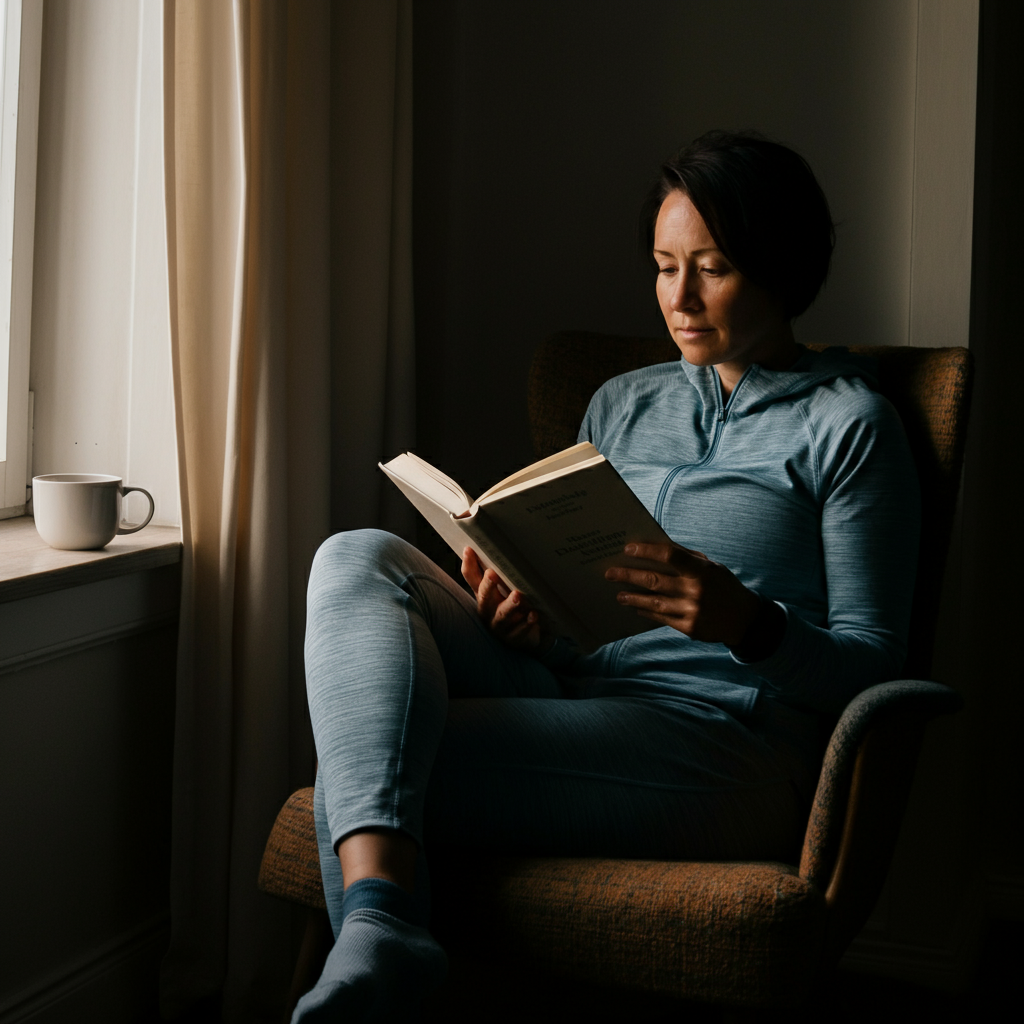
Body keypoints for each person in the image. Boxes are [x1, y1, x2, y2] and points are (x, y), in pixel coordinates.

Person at [292, 131, 920, 1022]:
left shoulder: (851, 426)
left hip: (723, 743)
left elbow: (876, 668)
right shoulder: (621, 402)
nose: (680, 297)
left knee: (369, 764)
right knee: (355, 555)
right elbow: (574, 598)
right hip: (572, 692)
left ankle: (377, 930)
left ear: (783, 267)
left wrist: (750, 624)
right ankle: (384, 939)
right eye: (664, 267)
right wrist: (529, 616)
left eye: (713, 267)